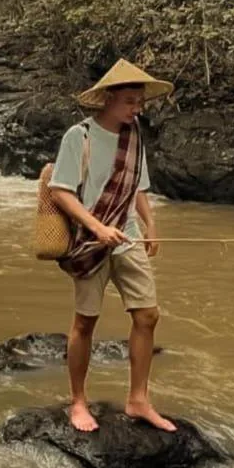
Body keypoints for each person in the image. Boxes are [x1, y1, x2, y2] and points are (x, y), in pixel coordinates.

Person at [49, 58, 175, 434]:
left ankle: (138, 400)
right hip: (89, 240)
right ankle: (78, 401)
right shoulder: (79, 137)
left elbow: (137, 185)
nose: (137, 109)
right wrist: (96, 226)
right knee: (85, 322)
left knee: (148, 315)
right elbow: (60, 191)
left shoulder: (133, 134)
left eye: (140, 102)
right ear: (107, 98)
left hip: (128, 234)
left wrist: (151, 226)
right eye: (130, 102)